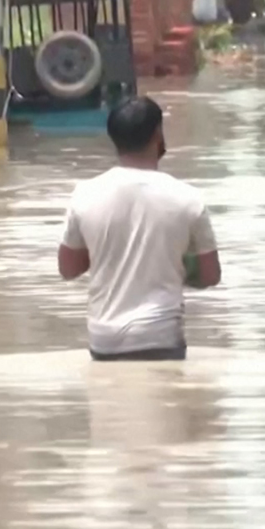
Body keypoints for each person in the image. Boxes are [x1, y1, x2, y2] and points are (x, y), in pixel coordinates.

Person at [58, 96, 221, 361]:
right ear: (157, 135)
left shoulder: (85, 194)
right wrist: (177, 265)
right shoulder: (188, 198)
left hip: (104, 340)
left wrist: (105, 250)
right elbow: (210, 274)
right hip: (160, 337)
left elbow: (68, 269)